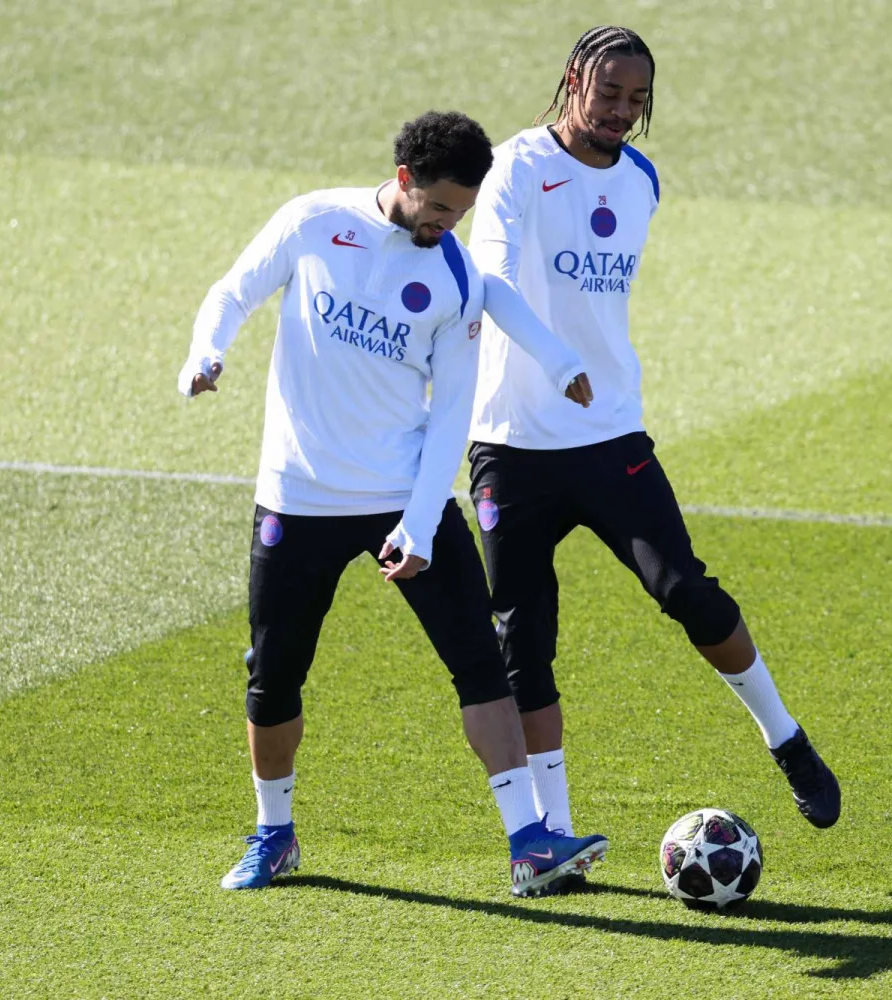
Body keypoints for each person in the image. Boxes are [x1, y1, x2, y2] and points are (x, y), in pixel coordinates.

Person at [178, 110, 605, 897]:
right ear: (404, 181)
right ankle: (274, 835)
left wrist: (416, 522)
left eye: (462, 213)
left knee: (481, 664)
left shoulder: (452, 276)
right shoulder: (314, 222)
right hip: (297, 496)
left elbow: (452, 412)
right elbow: (232, 292)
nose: (449, 226)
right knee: (273, 675)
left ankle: (529, 844)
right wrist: (207, 352)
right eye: (440, 208)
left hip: (401, 496)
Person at [465, 28, 841, 854]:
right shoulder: (516, 167)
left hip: (609, 434)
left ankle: (786, 738)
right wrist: (558, 362)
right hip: (510, 443)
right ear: (572, 82)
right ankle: (555, 835)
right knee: (523, 639)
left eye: (637, 101)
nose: (623, 114)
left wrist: (583, 370)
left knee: (686, 589)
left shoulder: (641, 181)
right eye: (609, 95)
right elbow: (489, 279)